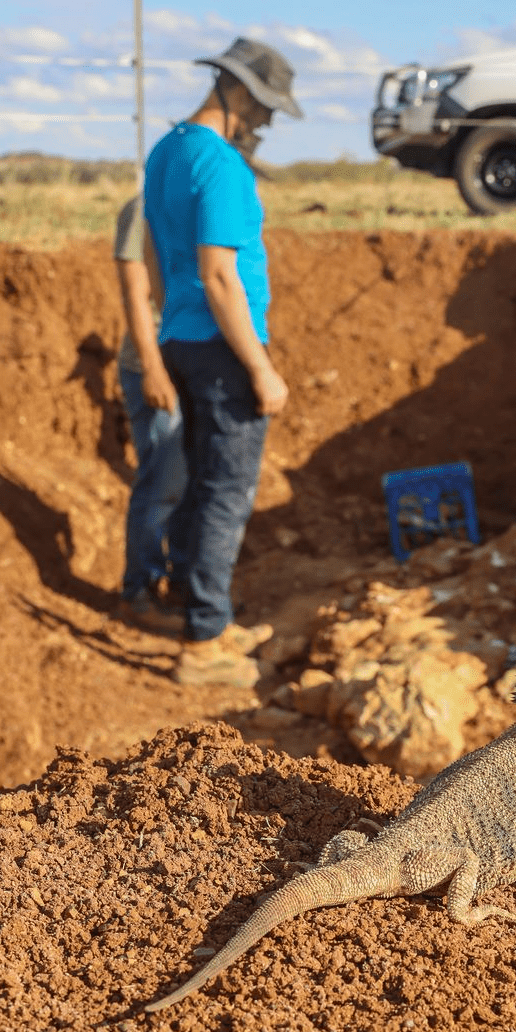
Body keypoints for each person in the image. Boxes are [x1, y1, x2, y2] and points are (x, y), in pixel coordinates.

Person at [143, 38, 301, 687]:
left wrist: (166, 325)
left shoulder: (166, 151)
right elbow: (219, 275)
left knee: (204, 477)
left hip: (179, 336)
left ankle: (204, 608)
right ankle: (205, 641)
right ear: (235, 91)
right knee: (227, 491)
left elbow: (157, 261)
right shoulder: (221, 164)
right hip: (221, 345)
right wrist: (260, 368)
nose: (264, 122)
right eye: (262, 109)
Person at [113, 196, 188, 635]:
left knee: (186, 480)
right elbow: (134, 292)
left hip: (190, 362)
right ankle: (138, 593)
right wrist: (154, 368)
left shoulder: (196, 200)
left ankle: (179, 583)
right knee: (162, 482)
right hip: (154, 364)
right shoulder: (143, 208)